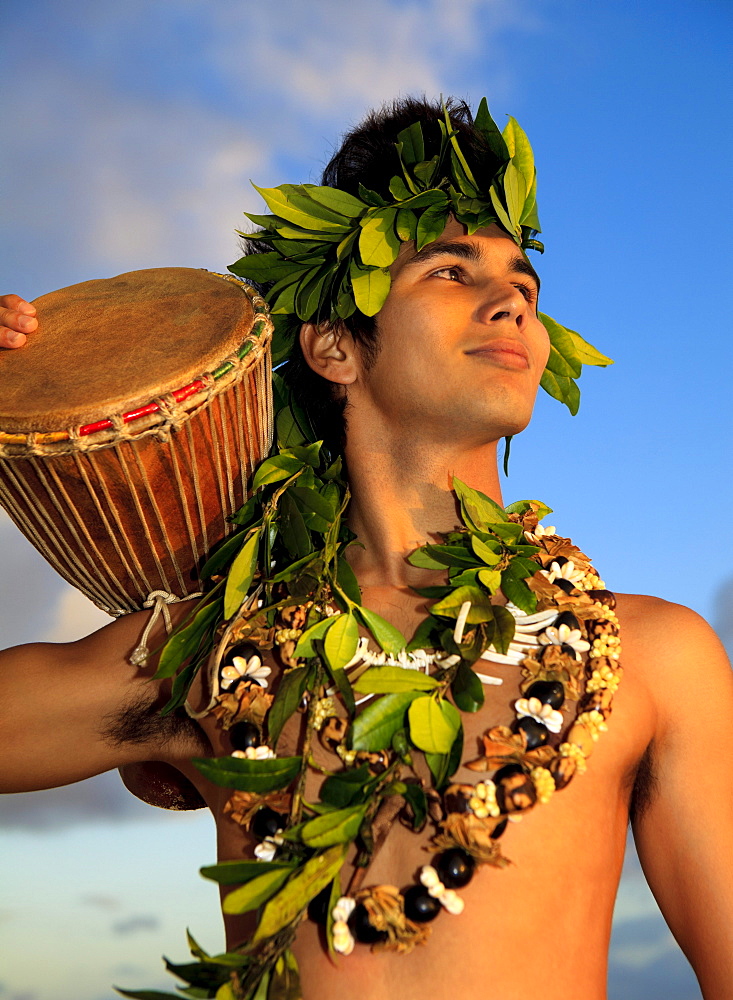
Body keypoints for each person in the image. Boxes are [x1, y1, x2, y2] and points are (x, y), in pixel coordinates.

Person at [1, 96, 733, 1000]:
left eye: (524, 285)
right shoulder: (217, 655)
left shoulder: (655, 663)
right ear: (335, 348)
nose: (511, 301)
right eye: (450, 272)